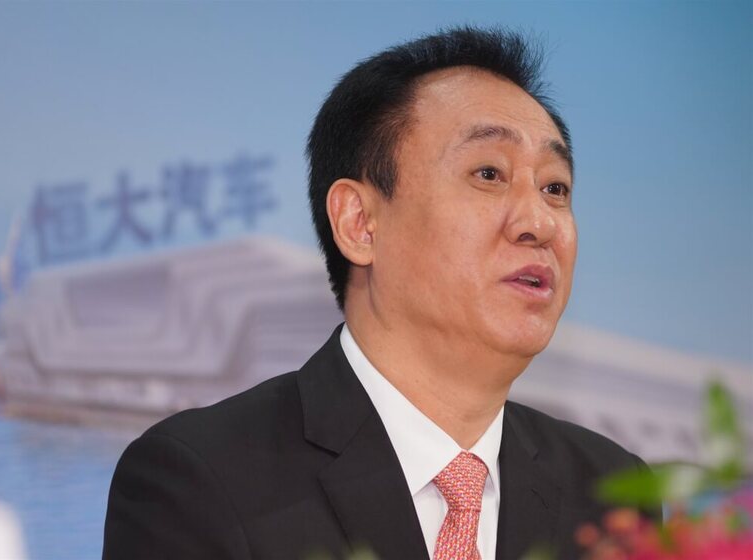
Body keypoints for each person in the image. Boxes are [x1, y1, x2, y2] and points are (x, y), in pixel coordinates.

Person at [103, 27, 659, 560]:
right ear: (360, 223)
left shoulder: (612, 493)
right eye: (489, 173)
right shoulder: (203, 479)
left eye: (555, 187)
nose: (539, 222)